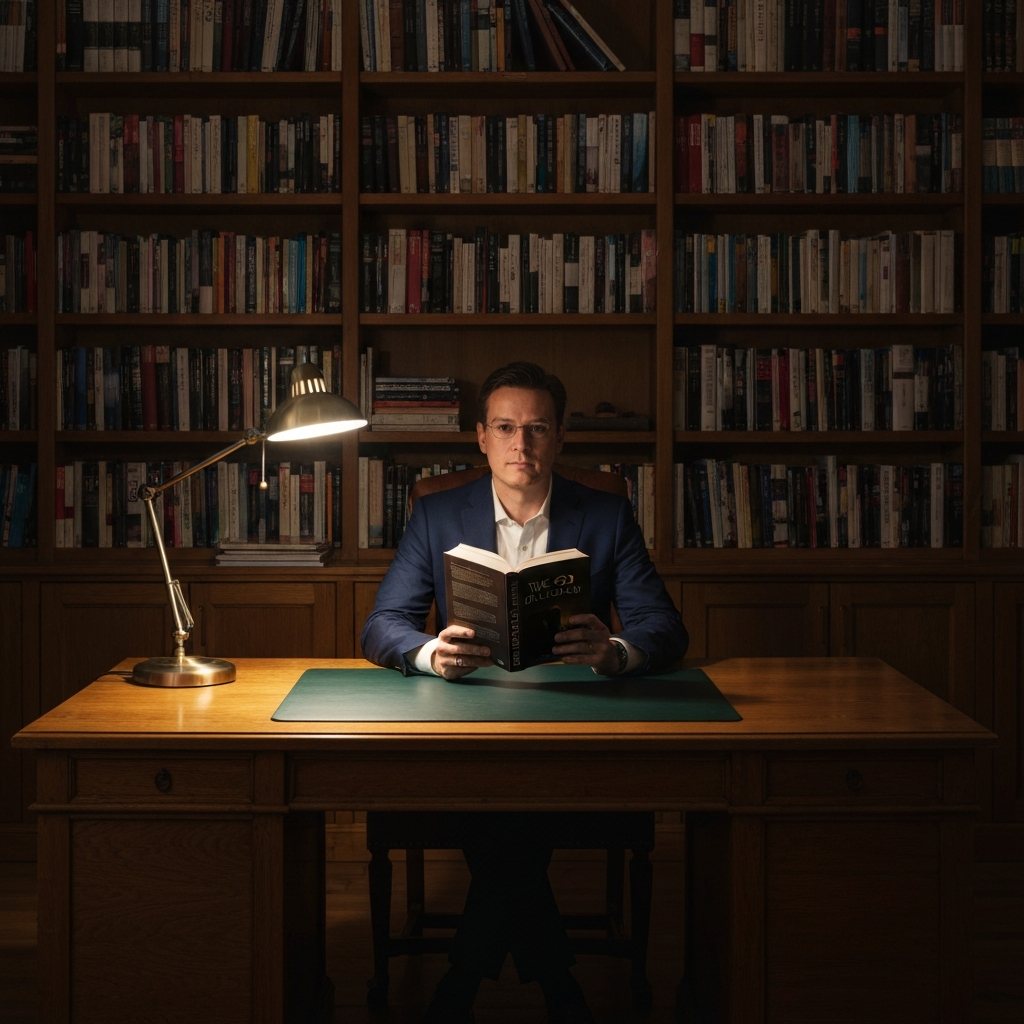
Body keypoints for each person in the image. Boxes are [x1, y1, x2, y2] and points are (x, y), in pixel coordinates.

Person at [361, 361, 689, 1023]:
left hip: (577, 729)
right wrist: (430, 654)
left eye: (537, 429)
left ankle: (465, 975)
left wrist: (616, 652)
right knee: (504, 814)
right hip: (465, 725)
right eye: (506, 428)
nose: (522, 445)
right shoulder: (436, 514)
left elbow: (664, 627)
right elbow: (381, 626)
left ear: (561, 438)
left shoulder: (604, 514)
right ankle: (553, 981)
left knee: (507, 817)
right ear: (480, 437)